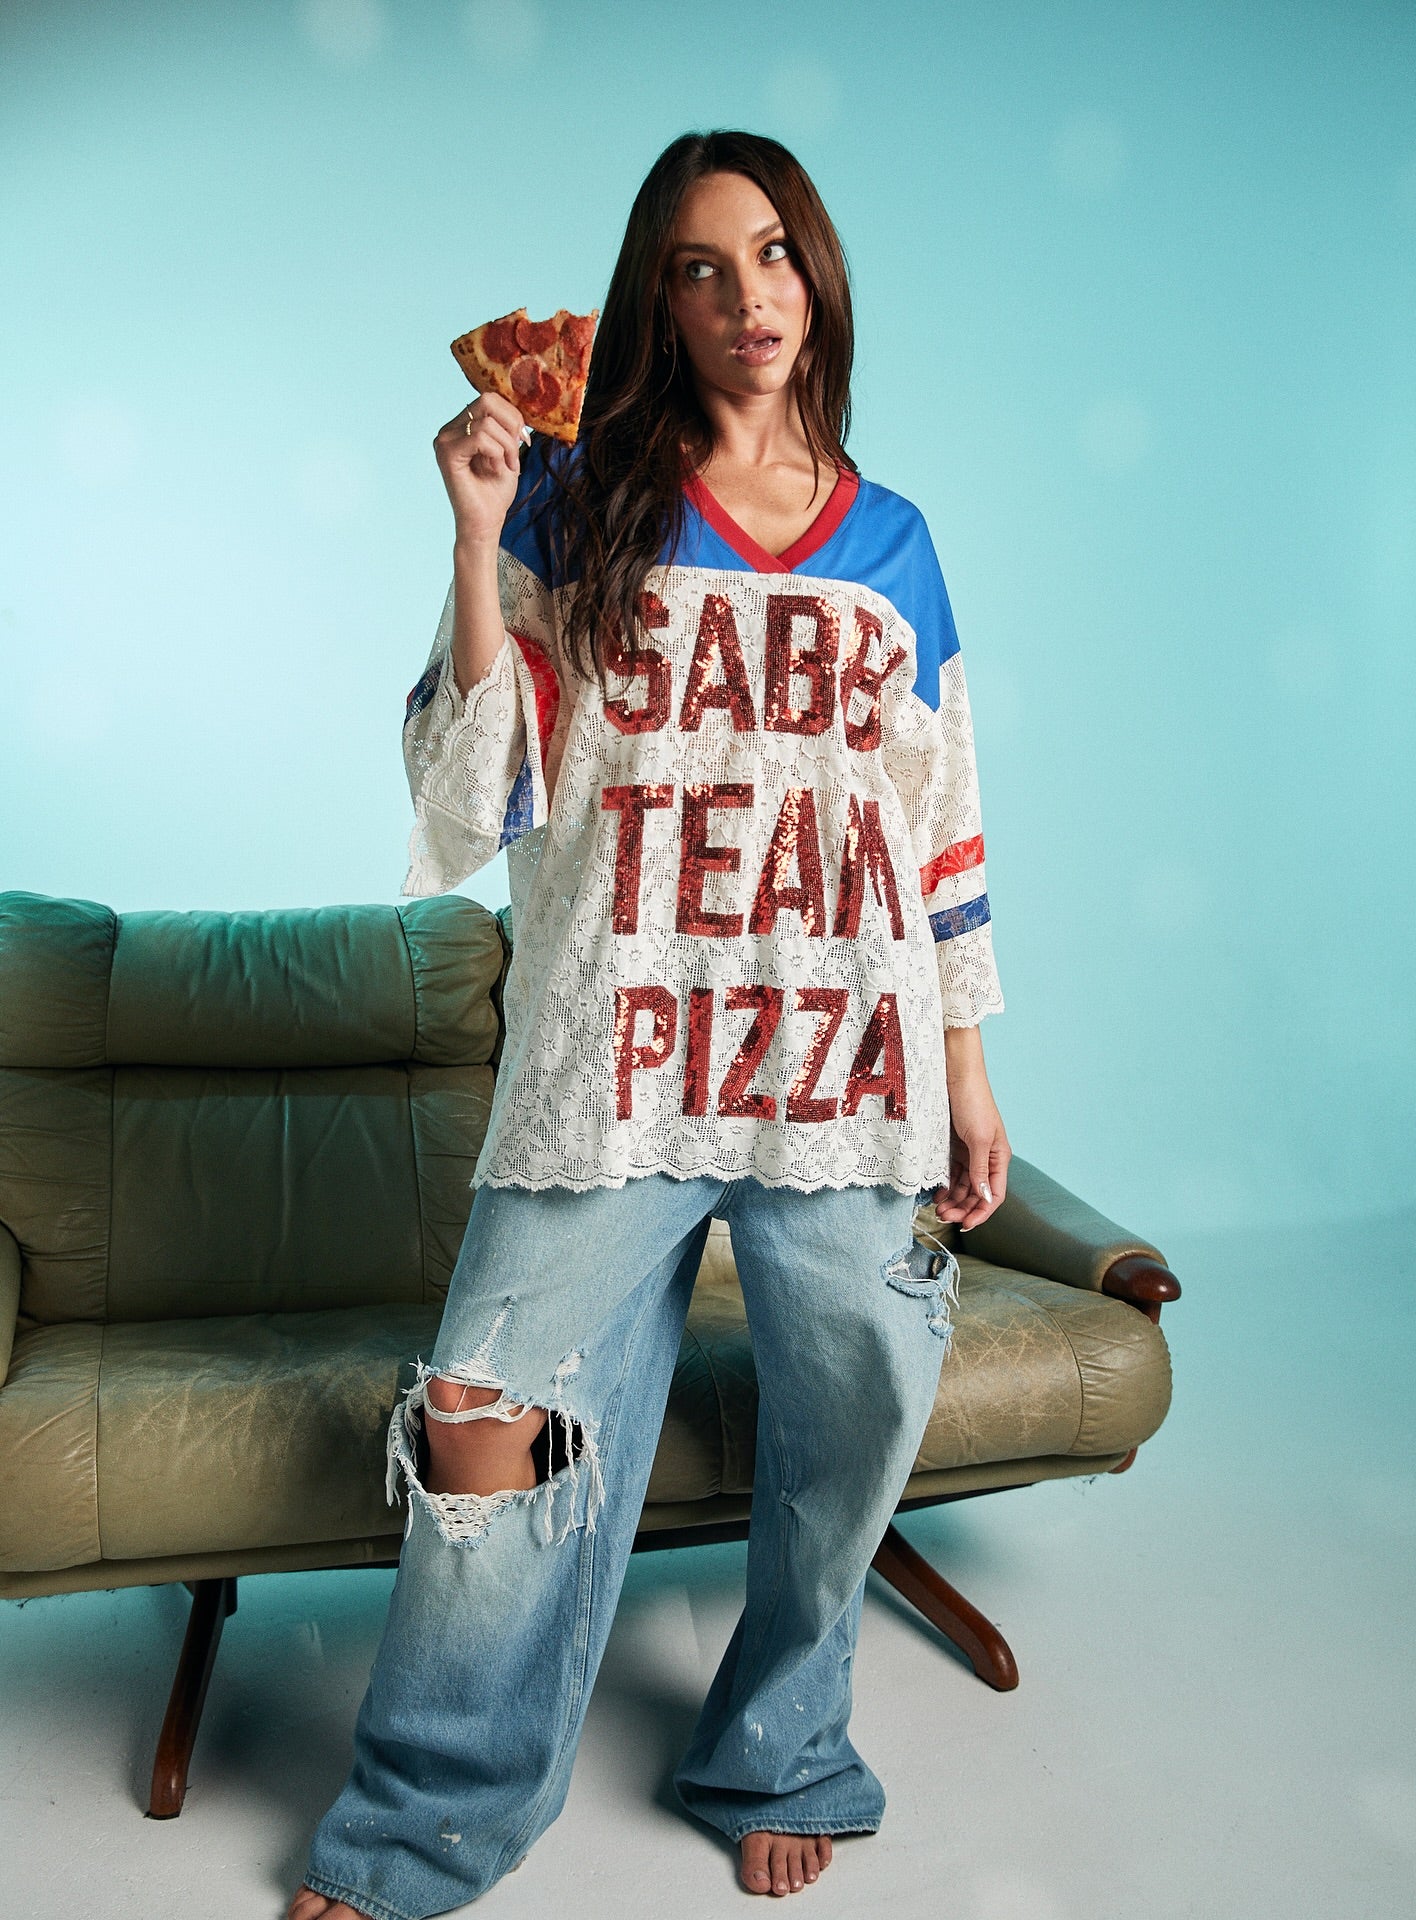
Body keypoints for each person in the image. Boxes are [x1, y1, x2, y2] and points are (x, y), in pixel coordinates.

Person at [290, 128, 1009, 1920]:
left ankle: (781, 1747)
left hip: (840, 1076)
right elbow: (474, 798)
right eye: (701, 266)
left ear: (815, 274)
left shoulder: (898, 544)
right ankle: (427, 1822)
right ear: (656, 300)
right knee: (480, 1423)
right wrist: (473, 534)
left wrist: (971, 1069)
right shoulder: (573, 494)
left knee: (856, 1413)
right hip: (611, 1064)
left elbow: (938, 828)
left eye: (772, 253)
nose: (747, 294)